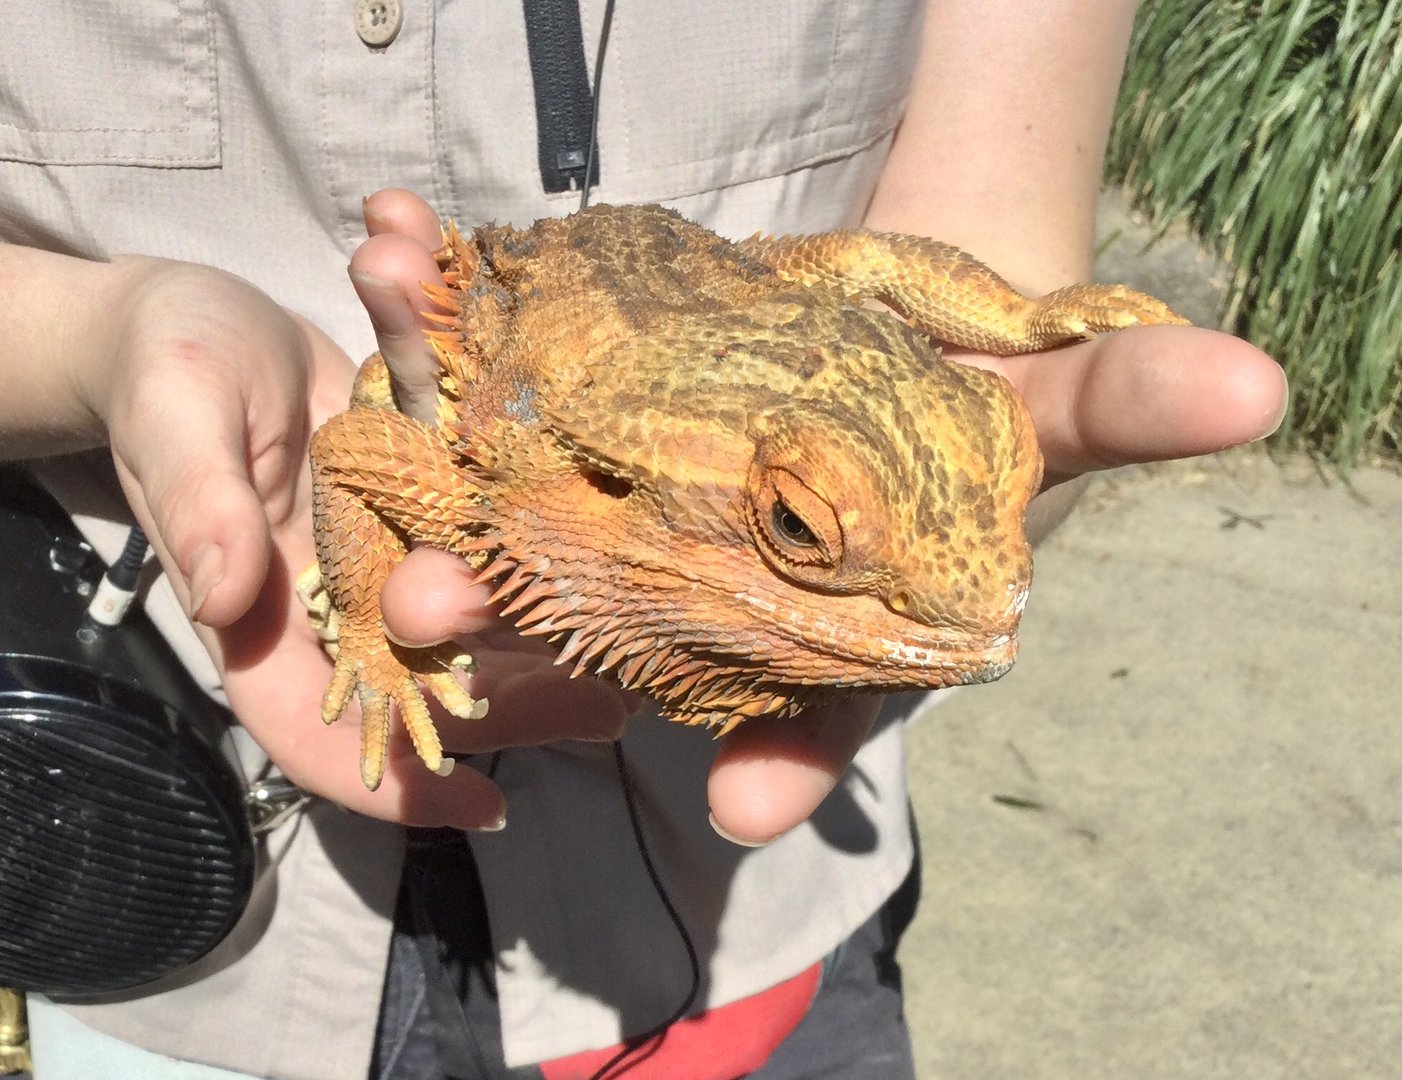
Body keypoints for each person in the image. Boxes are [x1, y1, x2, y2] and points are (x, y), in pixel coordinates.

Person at [0, 2, 1286, 1077]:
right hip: (167, 895)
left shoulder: (814, 349)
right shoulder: (512, 477)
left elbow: (876, 267)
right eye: (798, 529)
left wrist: (1016, 318)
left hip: (761, 948)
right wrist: (109, 346)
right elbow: (354, 450)